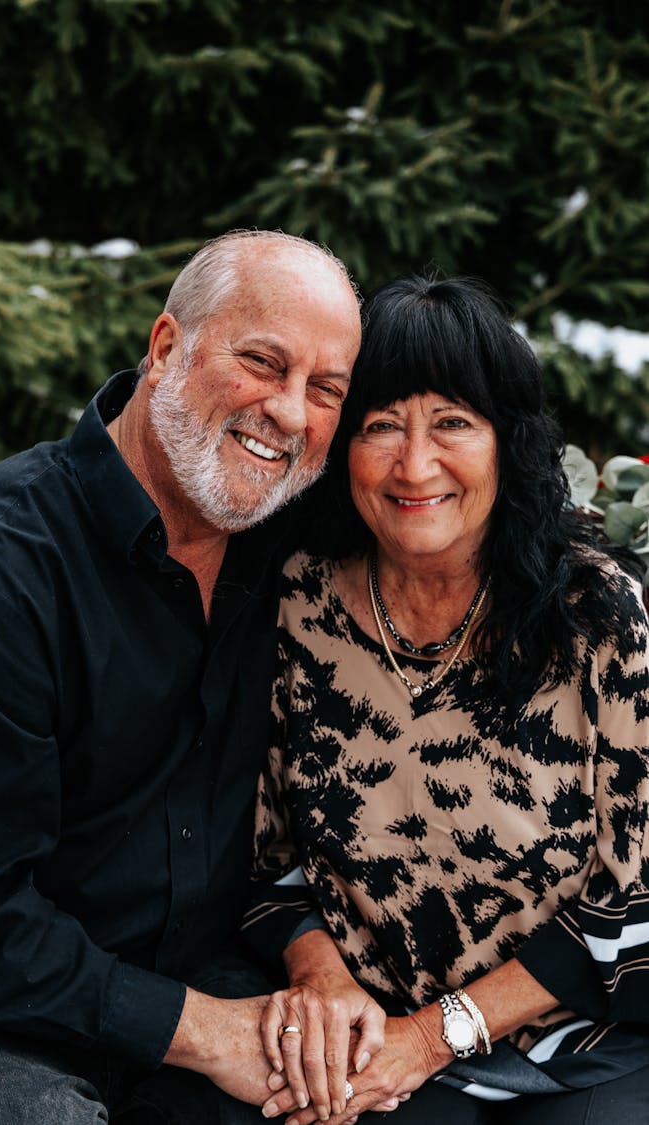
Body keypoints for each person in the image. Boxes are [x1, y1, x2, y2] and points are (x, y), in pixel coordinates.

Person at [0, 229, 365, 1124]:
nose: (292, 413)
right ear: (165, 350)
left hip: (206, 985)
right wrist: (203, 1031)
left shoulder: (286, 555)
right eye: (263, 362)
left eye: (326, 390)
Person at [242, 275, 649, 1125]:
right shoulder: (296, 606)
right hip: (372, 1040)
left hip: (586, 1044)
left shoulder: (595, 617)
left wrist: (432, 1037)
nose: (415, 464)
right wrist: (321, 979)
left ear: (508, 441)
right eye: (381, 424)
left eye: (453, 422)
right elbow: (264, 862)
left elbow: (634, 900)